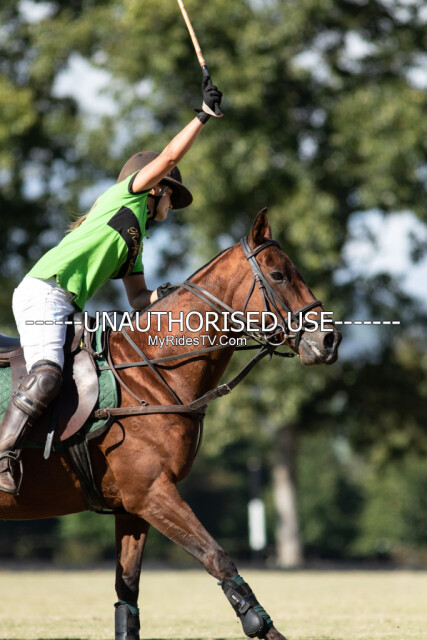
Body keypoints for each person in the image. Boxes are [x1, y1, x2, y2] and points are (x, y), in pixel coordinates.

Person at [0, 78, 223, 494]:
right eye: (172, 196)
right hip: (45, 291)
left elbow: (138, 298)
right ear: (157, 187)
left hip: (65, 303)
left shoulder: (134, 242)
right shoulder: (127, 198)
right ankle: (3, 453)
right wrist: (203, 117)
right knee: (47, 374)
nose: (172, 205)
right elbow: (170, 155)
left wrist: (172, 296)